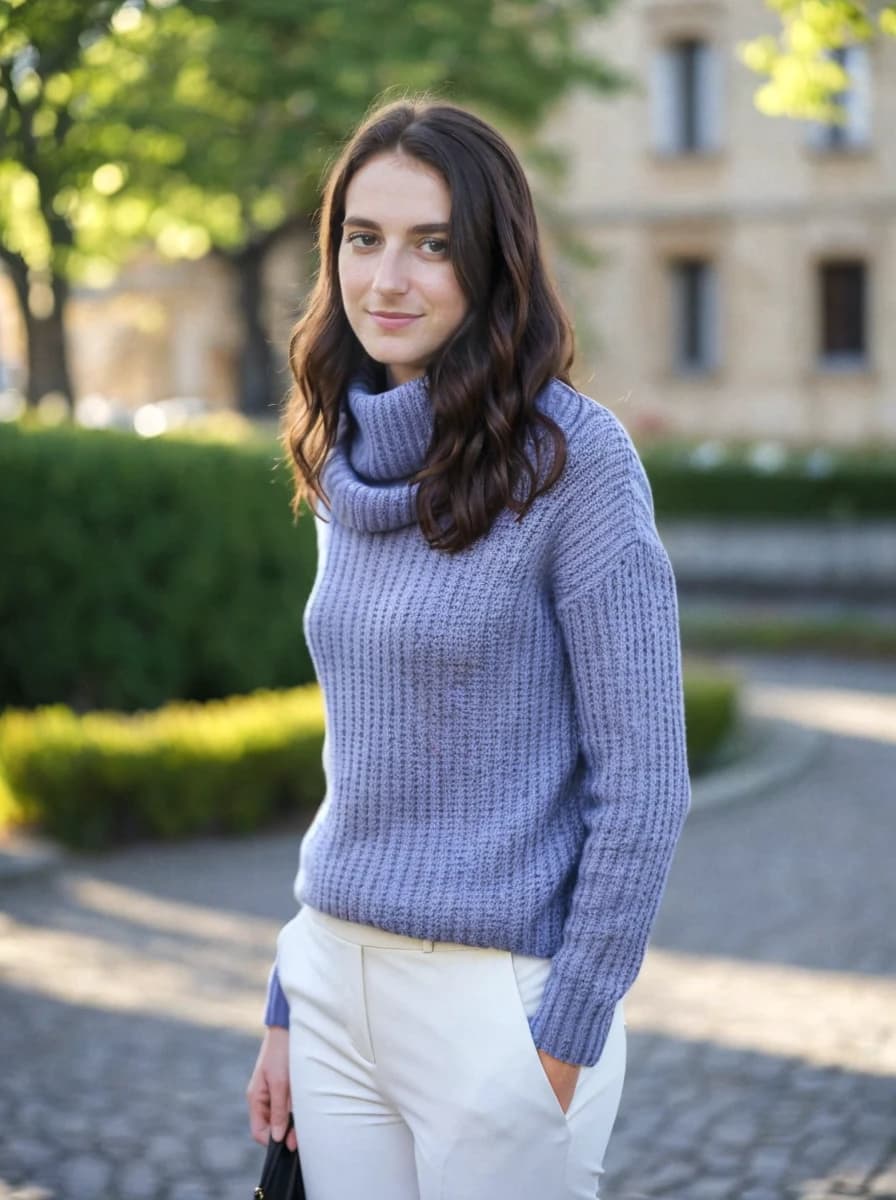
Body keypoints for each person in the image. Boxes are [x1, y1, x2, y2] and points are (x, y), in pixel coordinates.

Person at [246, 96, 691, 1200]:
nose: (385, 279)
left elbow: (644, 778)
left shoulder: (573, 462)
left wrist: (561, 1038)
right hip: (333, 981)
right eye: (362, 238)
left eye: (431, 245)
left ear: (492, 262)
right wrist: (287, 998)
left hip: (494, 1008)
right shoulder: (339, 448)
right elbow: (361, 760)